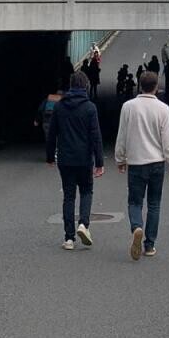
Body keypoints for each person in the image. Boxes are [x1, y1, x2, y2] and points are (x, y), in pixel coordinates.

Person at [115, 71, 169, 261]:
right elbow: (168, 141)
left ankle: (137, 227)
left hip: (136, 163)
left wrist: (120, 159)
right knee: (154, 203)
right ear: (157, 87)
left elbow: (122, 135)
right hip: (157, 164)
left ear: (139, 85)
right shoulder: (163, 109)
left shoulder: (128, 107)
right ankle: (149, 245)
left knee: (135, 202)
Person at [46, 73, 104, 250]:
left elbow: (52, 133)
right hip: (84, 158)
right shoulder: (90, 108)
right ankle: (84, 225)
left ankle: (69, 238)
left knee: (69, 196)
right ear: (86, 86)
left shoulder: (60, 106)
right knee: (86, 191)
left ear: (70, 86)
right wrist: (99, 162)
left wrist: (49, 157)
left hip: (65, 158)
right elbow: (96, 136)